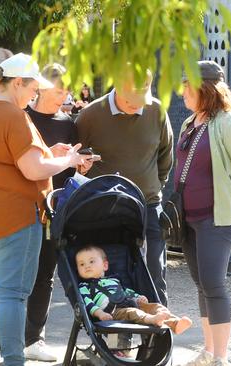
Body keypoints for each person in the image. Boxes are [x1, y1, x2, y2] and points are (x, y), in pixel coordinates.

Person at [0, 53, 85, 366]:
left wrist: (48, 153)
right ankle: (15, 360)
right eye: (32, 88)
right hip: (15, 218)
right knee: (12, 294)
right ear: (16, 83)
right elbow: (33, 169)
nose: (35, 94)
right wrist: (67, 161)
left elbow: (7, 159)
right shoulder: (14, 116)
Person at [76, 67, 173, 305]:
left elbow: (166, 155)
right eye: (131, 100)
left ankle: (158, 329)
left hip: (149, 203)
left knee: (154, 269)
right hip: (108, 206)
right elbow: (75, 155)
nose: (136, 106)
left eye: (142, 99)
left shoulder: (157, 110)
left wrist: (155, 185)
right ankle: (123, 331)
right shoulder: (91, 115)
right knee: (118, 268)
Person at [179, 61, 231, 366]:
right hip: (188, 219)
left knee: (214, 284)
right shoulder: (190, 122)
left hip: (216, 219)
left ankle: (221, 357)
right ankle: (209, 351)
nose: (181, 92)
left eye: (186, 86)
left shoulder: (228, 122)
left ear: (205, 88)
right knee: (203, 284)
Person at [22, 63, 80, 362]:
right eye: (59, 91)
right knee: (16, 275)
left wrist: (81, 162)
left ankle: (34, 338)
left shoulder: (69, 124)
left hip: (55, 209)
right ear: (42, 88)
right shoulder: (23, 118)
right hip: (22, 207)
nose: (64, 97)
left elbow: (72, 166)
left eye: (67, 91)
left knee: (45, 275)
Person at [76, 245, 192, 333]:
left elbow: (126, 291)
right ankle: (153, 320)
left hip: (130, 302)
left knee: (155, 306)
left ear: (105, 265)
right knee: (133, 312)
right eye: (81, 264)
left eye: (91, 261)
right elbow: (87, 302)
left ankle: (175, 323)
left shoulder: (114, 280)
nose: (87, 266)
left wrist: (137, 297)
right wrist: (100, 313)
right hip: (113, 312)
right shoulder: (84, 287)